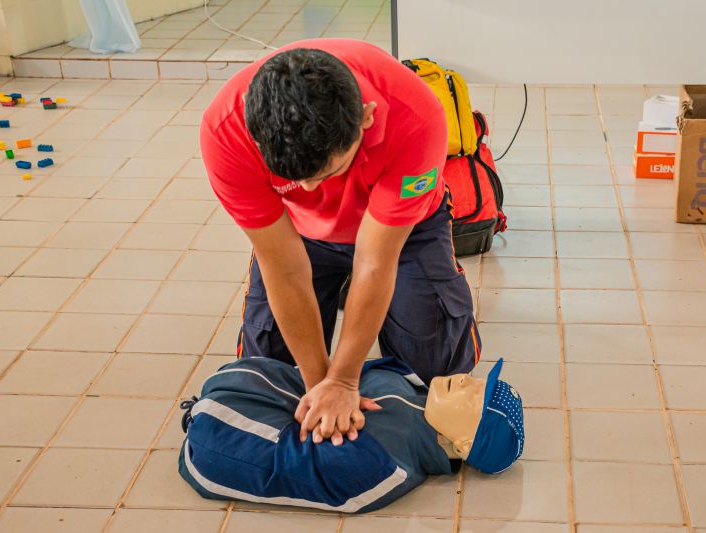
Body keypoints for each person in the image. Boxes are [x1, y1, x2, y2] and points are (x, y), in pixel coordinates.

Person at [200, 38, 481, 446]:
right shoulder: (225, 130)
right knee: (269, 371)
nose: (309, 189)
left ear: (366, 118)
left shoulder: (415, 116)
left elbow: (374, 261)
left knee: (436, 372)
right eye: (295, 178)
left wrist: (346, 378)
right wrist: (321, 385)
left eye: (327, 173)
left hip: (402, 231)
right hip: (298, 231)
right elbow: (285, 268)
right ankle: (347, 309)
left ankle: (399, 309)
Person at [178, 356, 524, 513]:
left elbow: (283, 464)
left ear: (464, 444)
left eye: (475, 396)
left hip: (214, 438)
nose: (466, 379)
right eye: (478, 381)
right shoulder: (408, 384)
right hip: (236, 395)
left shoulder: (385, 466)